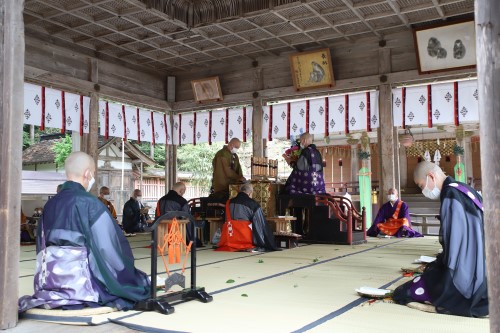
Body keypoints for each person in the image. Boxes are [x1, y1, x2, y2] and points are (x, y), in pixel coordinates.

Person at [18, 152, 150, 312]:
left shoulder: (50, 204)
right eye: (93, 174)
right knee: (132, 278)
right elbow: (108, 247)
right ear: (88, 174)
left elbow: (40, 244)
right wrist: (126, 269)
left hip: (49, 279)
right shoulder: (90, 203)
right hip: (83, 282)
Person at [392, 161, 488, 317]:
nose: (423, 190)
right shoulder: (464, 188)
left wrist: (438, 265)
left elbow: (453, 242)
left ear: (431, 176)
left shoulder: (450, 194)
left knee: (402, 293)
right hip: (485, 271)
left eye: (422, 185)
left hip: (465, 273)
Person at [216, 183, 278, 252]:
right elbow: (260, 224)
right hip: (244, 238)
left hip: (229, 237)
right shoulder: (253, 204)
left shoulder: (229, 202)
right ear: (250, 193)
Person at [209, 137, 246, 203]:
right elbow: (226, 171)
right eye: (236, 147)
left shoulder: (234, 155)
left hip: (232, 186)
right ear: (231, 144)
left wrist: (241, 179)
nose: (236, 149)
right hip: (222, 187)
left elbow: (238, 169)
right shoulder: (221, 154)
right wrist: (238, 177)